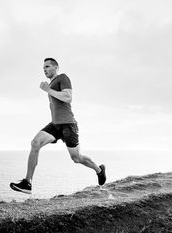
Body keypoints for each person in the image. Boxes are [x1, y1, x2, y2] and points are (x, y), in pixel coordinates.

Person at [10, 58, 106, 194]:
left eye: (47, 66)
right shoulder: (51, 84)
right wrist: (49, 89)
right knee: (35, 143)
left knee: (77, 158)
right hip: (55, 125)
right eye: (43, 68)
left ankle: (99, 170)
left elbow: (68, 97)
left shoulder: (63, 78)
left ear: (56, 67)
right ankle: (27, 183)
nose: (45, 69)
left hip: (68, 125)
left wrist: (48, 90)